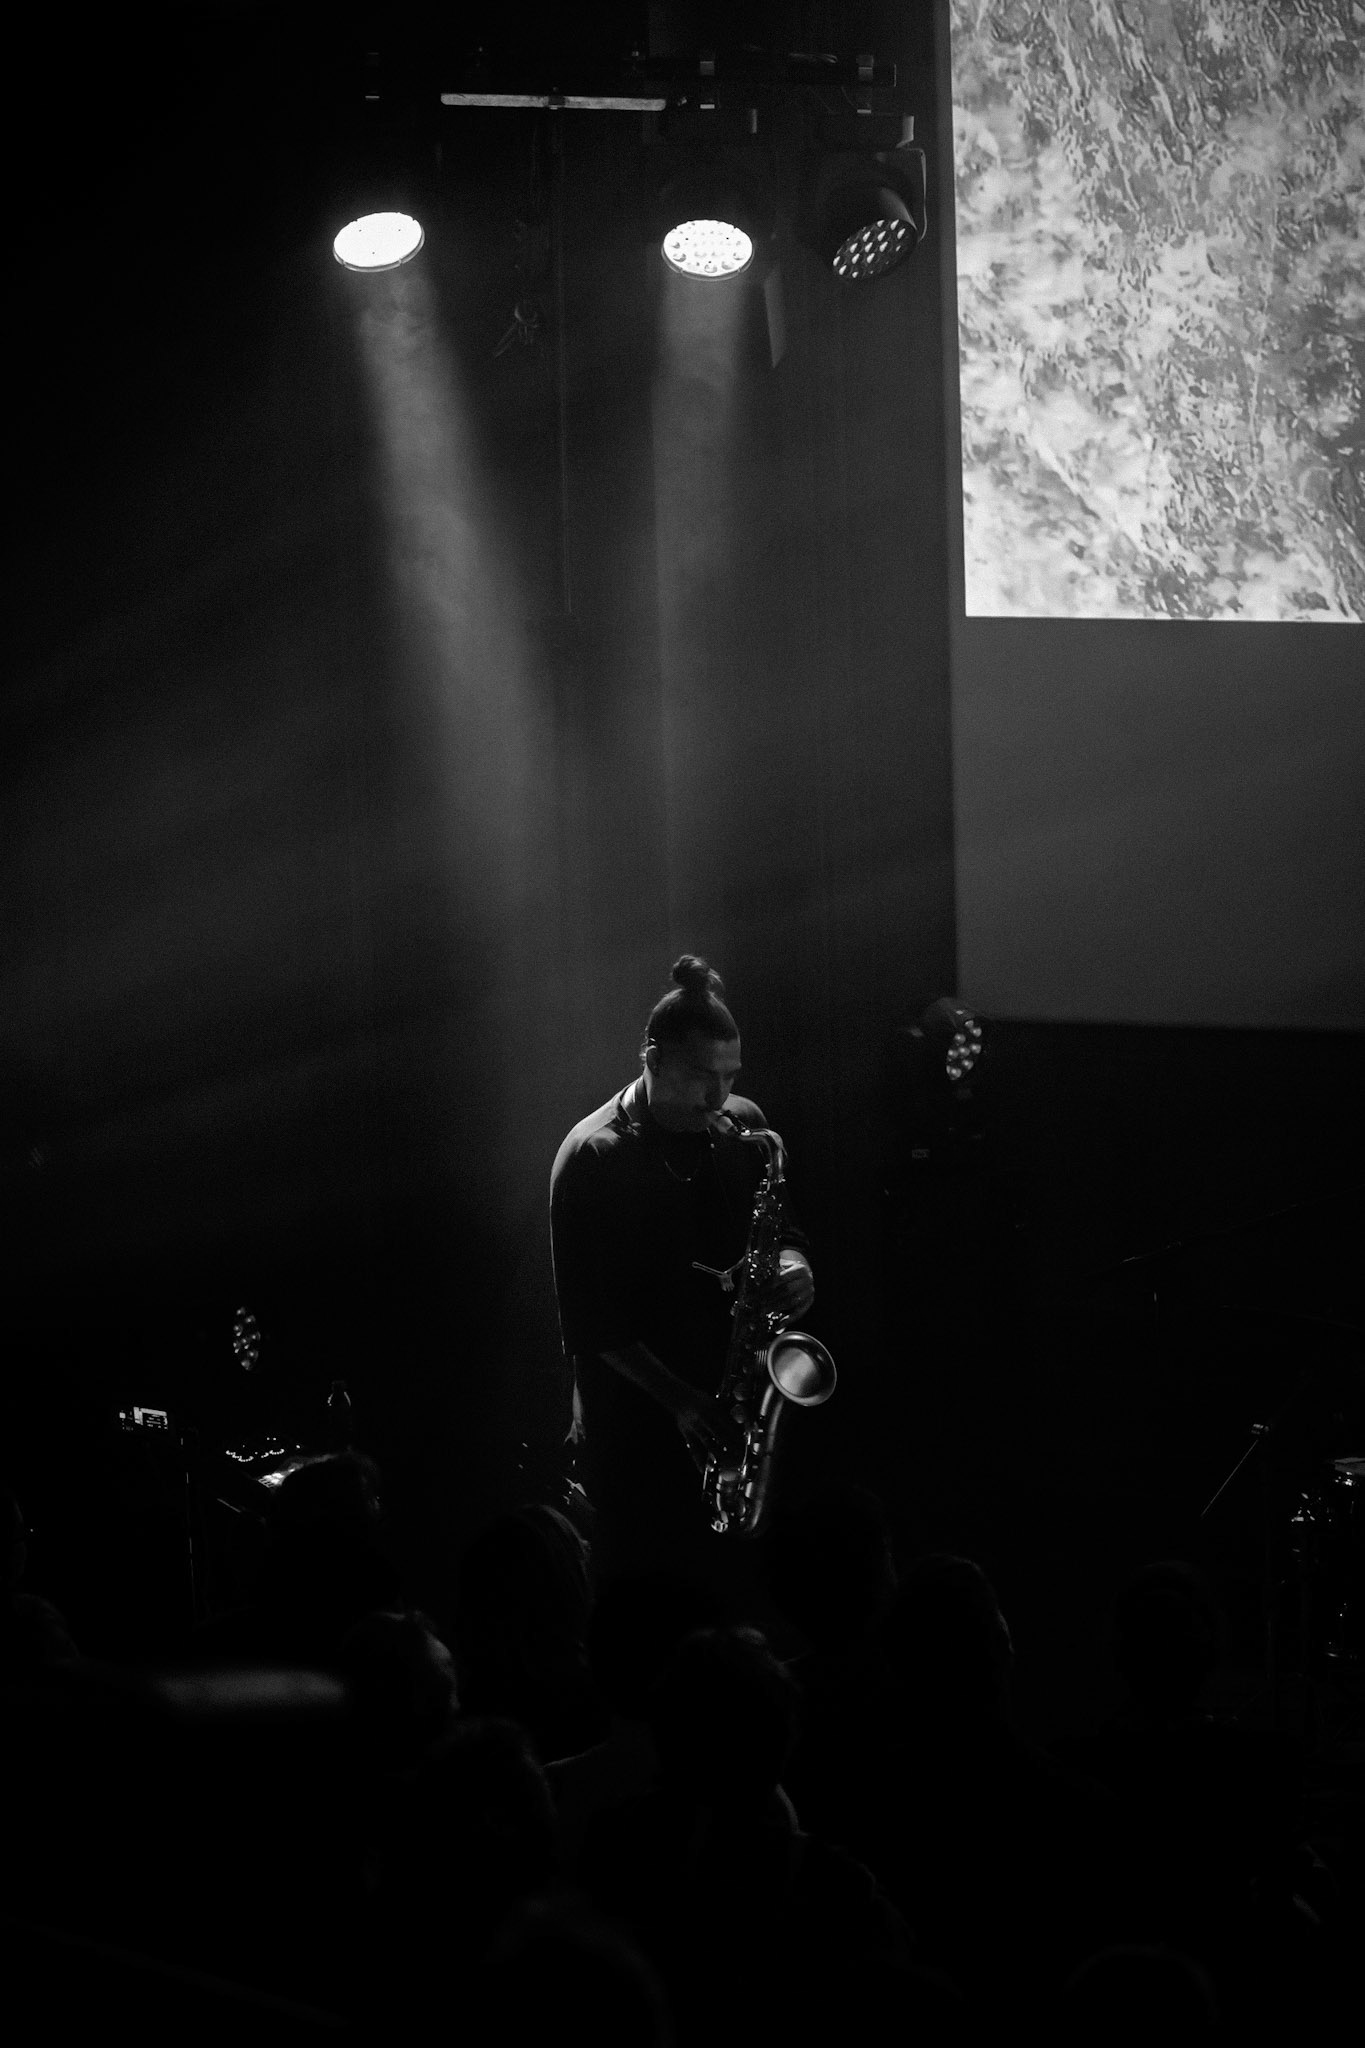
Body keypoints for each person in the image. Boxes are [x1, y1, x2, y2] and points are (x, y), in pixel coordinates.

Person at [549, 955, 816, 1594]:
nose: (721, 1097)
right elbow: (591, 1322)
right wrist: (681, 1402)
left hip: (720, 1409)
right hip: (637, 1428)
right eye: (704, 1076)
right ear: (654, 1057)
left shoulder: (744, 1129)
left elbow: (788, 1235)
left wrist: (795, 1264)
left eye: (731, 1075)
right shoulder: (593, 1156)